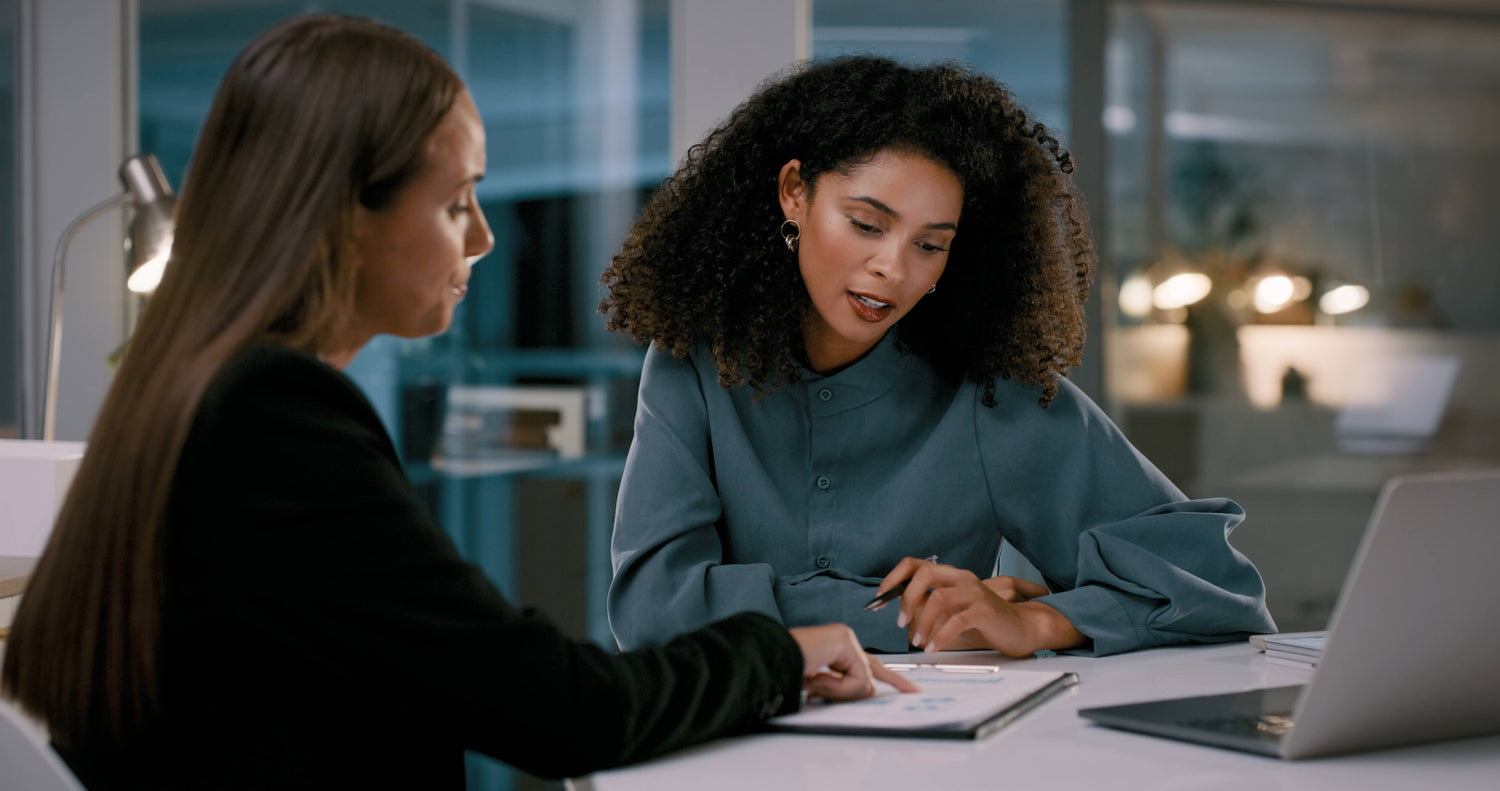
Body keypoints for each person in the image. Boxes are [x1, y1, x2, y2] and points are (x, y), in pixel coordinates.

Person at [0, 15, 912, 790]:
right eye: (456, 202)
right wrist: (776, 653)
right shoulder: (272, 422)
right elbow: (556, 708)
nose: (481, 236)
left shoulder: (193, 392)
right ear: (342, 217)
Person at [601, 55, 1276, 658]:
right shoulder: (692, 362)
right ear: (794, 194)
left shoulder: (984, 392)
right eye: (866, 223)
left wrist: (1039, 621)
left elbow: (1218, 585)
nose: (891, 268)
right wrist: (907, 616)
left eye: (930, 245)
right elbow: (653, 611)